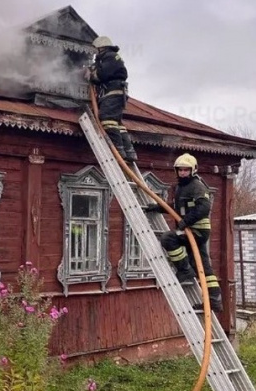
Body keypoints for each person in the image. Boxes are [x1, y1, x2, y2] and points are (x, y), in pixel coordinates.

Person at [143, 153, 222, 313]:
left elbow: (204, 208)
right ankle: (214, 301)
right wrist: (157, 208)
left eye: (186, 170)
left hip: (197, 230)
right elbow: (176, 207)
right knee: (203, 267)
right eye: (180, 170)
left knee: (168, 238)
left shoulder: (197, 186)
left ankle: (185, 270)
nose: (183, 173)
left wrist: (186, 221)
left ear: (193, 170)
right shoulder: (181, 187)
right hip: (192, 230)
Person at [85, 35, 137, 163]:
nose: (95, 53)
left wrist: (91, 75)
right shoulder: (112, 58)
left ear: (101, 47)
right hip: (116, 93)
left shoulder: (109, 56)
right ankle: (129, 151)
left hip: (112, 93)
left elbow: (102, 74)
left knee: (107, 119)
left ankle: (118, 150)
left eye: (96, 49)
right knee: (117, 123)